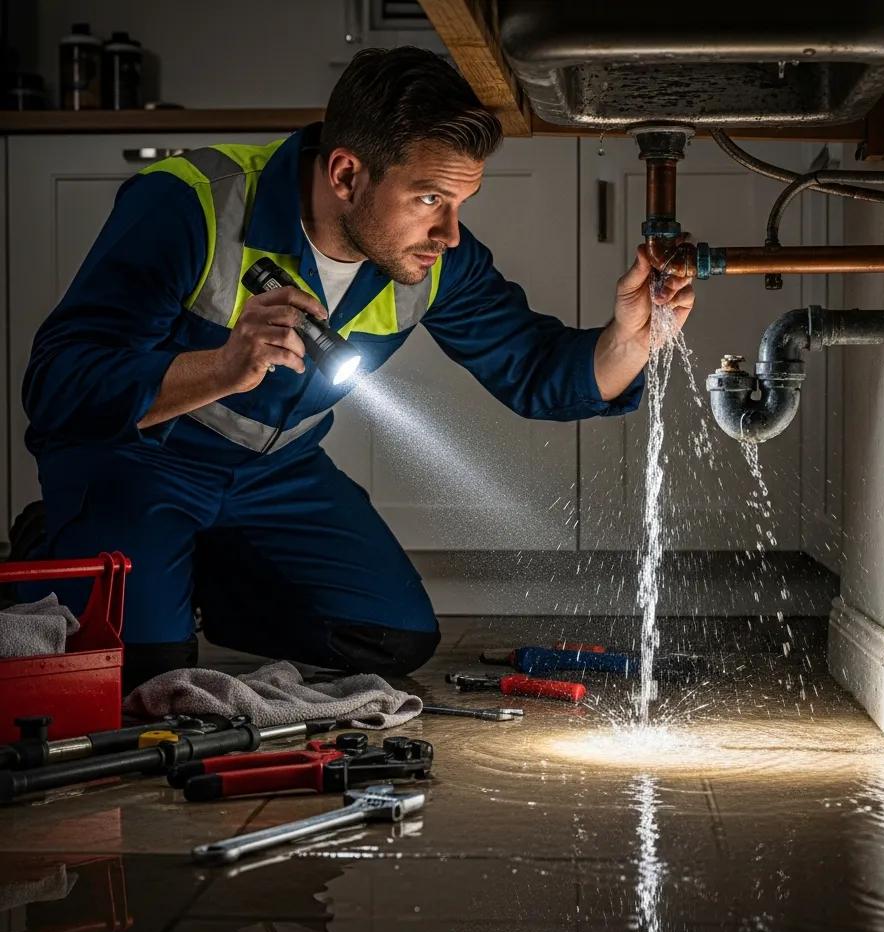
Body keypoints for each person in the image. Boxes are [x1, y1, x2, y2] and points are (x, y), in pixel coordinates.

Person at [17, 47, 695, 689]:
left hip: (274, 473)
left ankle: (178, 574)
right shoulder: (191, 202)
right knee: (140, 668)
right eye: (430, 199)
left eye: (460, 204)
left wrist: (631, 337)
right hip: (139, 462)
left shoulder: (438, 260)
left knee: (393, 640)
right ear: (346, 174)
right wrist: (221, 366)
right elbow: (57, 386)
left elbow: (538, 371)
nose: (450, 234)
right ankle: (60, 543)